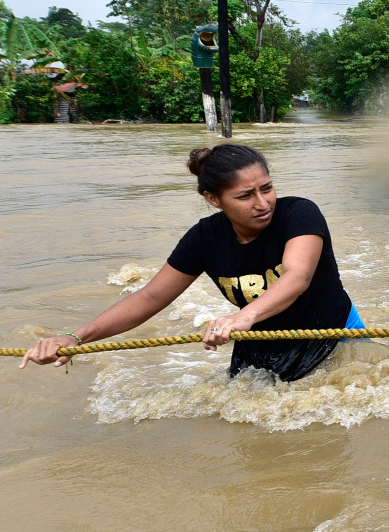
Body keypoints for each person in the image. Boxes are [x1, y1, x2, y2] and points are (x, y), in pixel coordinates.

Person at [20, 143, 363, 381]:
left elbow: (298, 276)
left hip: (332, 333)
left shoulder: (299, 213)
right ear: (214, 199)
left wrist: (242, 317)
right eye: (245, 195)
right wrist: (76, 337)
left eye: (267, 188)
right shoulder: (204, 238)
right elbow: (150, 297)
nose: (262, 203)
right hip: (259, 344)